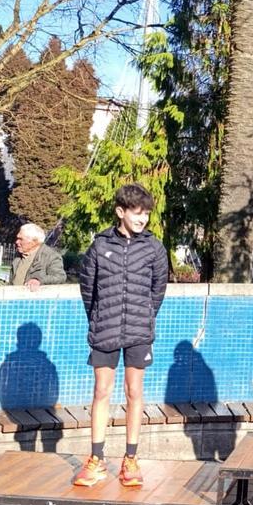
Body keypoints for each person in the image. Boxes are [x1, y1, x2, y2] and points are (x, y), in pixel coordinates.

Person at [74, 183, 169, 488]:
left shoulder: (154, 248)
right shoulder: (99, 246)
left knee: (134, 391)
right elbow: (88, 290)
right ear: (120, 212)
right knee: (101, 391)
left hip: (139, 331)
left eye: (146, 214)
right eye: (137, 213)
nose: (142, 219)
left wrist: (144, 316)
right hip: (105, 328)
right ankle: (96, 459)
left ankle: (130, 459)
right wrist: (99, 318)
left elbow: (158, 290)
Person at [11, 223, 67, 289]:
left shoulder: (50, 256)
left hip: (35, 295)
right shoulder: (19, 256)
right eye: (17, 238)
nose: (17, 242)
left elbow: (60, 277)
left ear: (34, 241)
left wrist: (38, 280)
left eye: (21, 239)